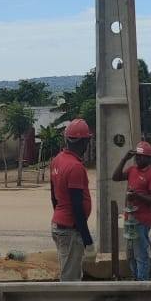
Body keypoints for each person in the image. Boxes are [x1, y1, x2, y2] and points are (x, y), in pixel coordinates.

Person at [50, 118, 95, 281]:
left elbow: (54, 197)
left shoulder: (57, 160)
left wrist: (60, 216)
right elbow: (77, 207)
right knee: (70, 281)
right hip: (70, 230)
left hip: (60, 225)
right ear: (84, 142)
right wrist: (87, 240)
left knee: (70, 272)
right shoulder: (75, 167)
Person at [112, 140, 151, 281]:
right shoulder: (132, 170)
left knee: (141, 254)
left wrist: (137, 195)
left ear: (148, 158)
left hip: (141, 220)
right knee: (130, 254)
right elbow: (115, 177)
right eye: (136, 156)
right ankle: (136, 279)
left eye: (140, 156)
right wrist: (124, 159)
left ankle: (142, 284)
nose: (137, 159)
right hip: (130, 219)